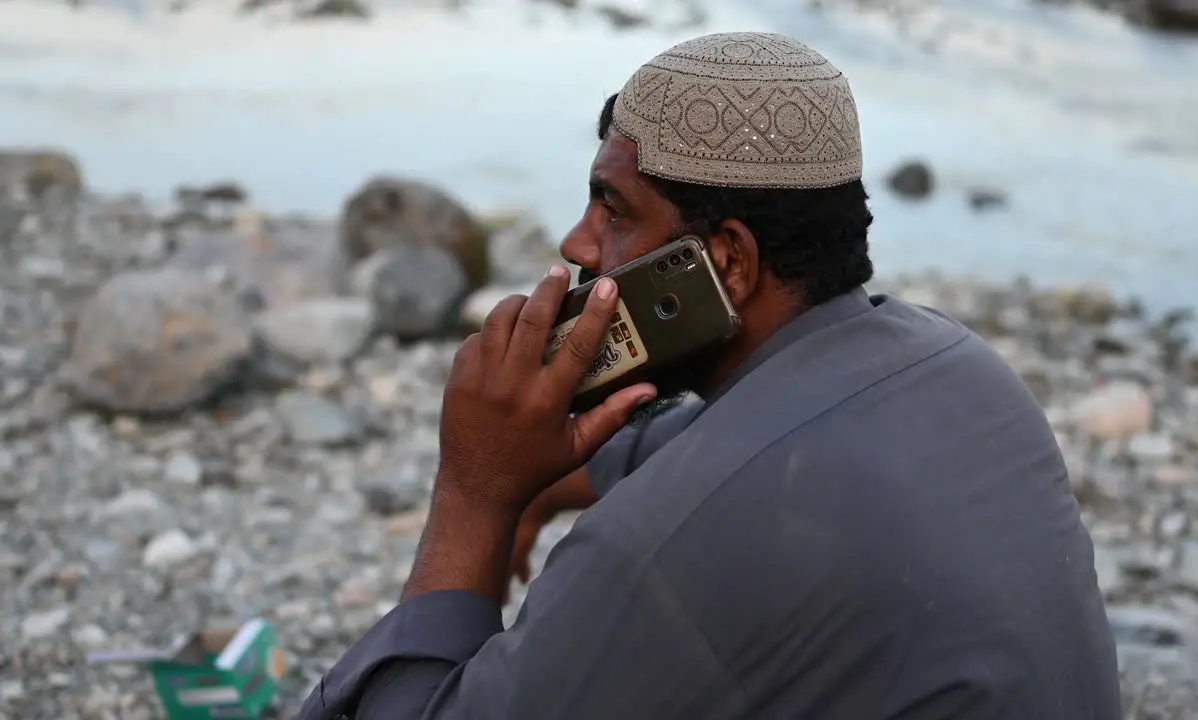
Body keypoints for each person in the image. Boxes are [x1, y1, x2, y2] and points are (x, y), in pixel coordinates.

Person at [295, 31, 1122, 720]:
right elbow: (703, 446)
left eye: (613, 210)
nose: (578, 246)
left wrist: (476, 493)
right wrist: (544, 484)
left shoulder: (660, 544)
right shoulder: (955, 365)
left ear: (723, 262)